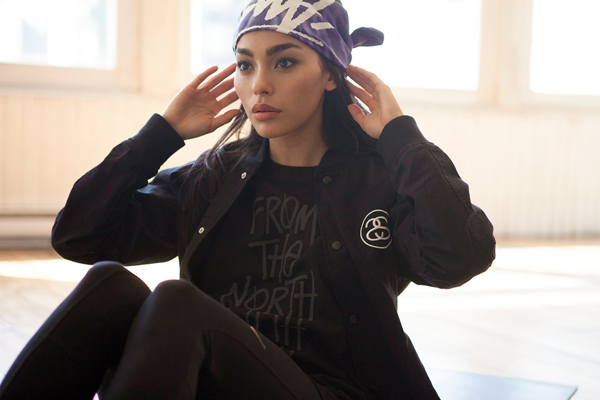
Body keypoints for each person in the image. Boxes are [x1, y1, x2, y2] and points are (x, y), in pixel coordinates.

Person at [0, 0, 495, 399]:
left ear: (330, 74)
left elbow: (459, 257)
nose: (259, 85)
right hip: (217, 380)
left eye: (285, 61)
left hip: (334, 389)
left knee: (177, 303)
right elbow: (79, 235)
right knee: (110, 285)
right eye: (245, 64)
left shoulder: (377, 181)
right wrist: (159, 136)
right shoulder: (215, 177)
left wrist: (403, 141)